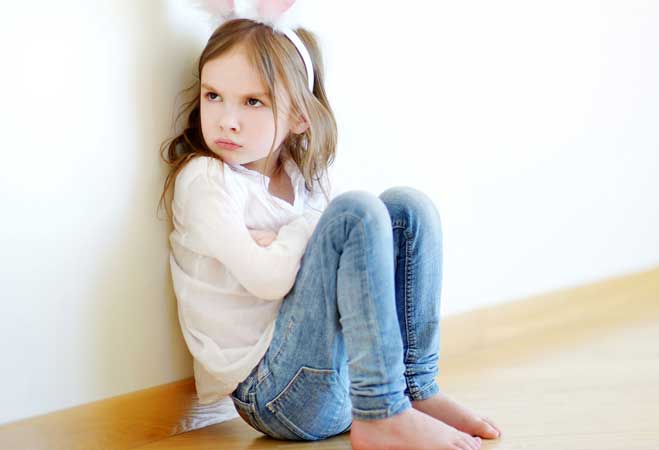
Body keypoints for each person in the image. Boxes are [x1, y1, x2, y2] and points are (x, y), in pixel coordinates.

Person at [158, 2, 501, 449]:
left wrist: (286, 237)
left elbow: (340, 251)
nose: (227, 120)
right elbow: (268, 278)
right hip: (275, 394)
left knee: (406, 209)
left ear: (300, 117)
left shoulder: (304, 177)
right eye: (213, 96)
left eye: (253, 101)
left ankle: (415, 389)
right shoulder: (206, 180)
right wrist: (305, 229)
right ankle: (383, 413)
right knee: (354, 213)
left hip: (336, 382)